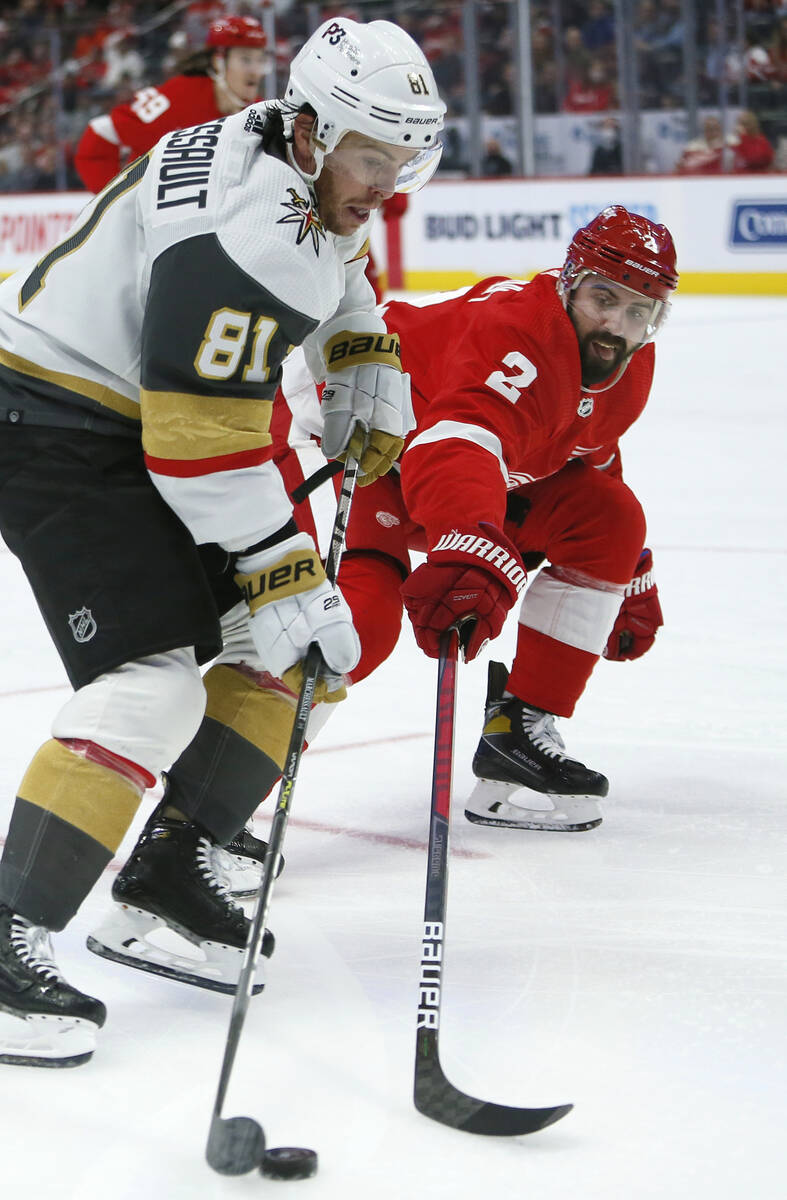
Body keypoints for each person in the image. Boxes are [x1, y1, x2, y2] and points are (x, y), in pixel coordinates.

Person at [0, 16, 445, 1068]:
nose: (385, 182)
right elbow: (198, 444)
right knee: (150, 685)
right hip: (53, 425)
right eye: (372, 156)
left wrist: (361, 343)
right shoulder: (245, 229)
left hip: (127, 420)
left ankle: (169, 876)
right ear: (317, 127)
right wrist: (280, 564)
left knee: (298, 654)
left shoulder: (275, 135)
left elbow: (334, 255)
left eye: (403, 159)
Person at [88, 206, 677, 989]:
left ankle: (518, 738)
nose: (617, 324)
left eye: (639, 311)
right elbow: (455, 439)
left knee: (609, 520)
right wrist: (470, 536)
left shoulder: (627, 367)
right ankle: (196, 825)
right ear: (569, 284)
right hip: (340, 422)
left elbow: (584, 459)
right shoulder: (518, 334)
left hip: (433, 450)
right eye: (603, 298)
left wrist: (626, 567)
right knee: (344, 624)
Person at [73, 14, 269, 193]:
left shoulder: (261, 112)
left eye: (260, 60)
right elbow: (100, 133)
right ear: (219, 61)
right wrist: (117, 204)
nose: (256, 71)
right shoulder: (176, 99)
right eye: (246, 60)